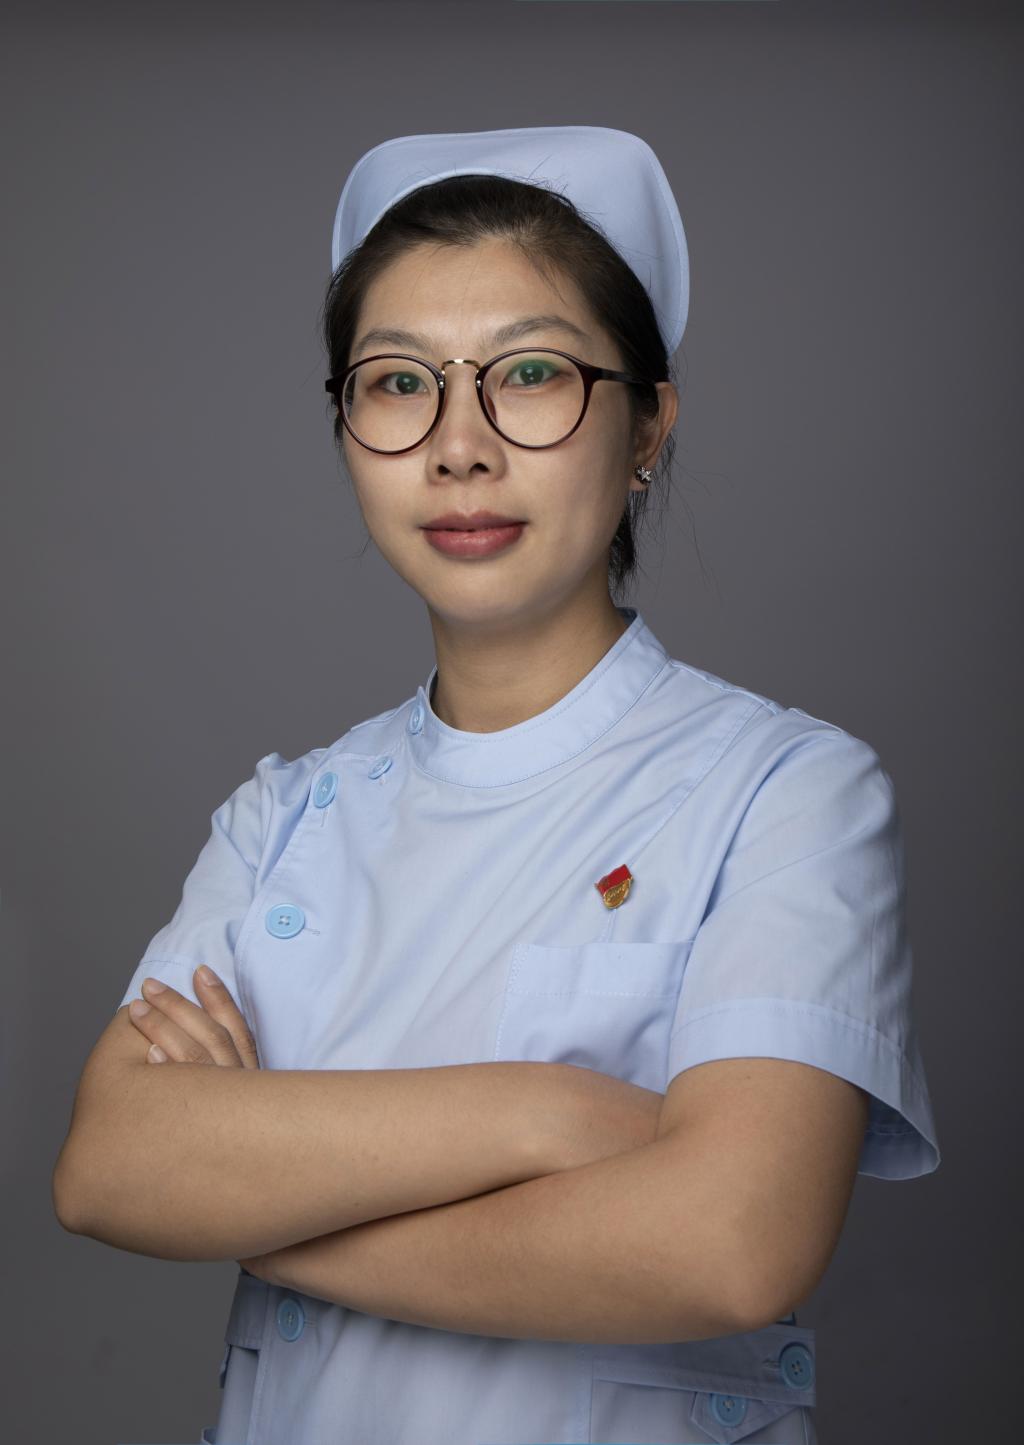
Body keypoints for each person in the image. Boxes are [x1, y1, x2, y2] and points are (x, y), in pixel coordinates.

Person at [56, 127, 940, 1445]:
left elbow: (733, 1240)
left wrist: (267, 1206)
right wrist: (552, 1112)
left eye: (531, 374)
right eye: (397, 383)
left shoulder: (788, 793)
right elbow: (109, 1166)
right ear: (347, 428)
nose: (458, 446)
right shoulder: (280, 816)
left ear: (647, 426)